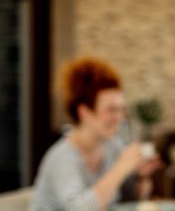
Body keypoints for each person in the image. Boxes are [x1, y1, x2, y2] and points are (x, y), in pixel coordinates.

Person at [30, 57, 162, 211]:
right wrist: (121, 167)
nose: (120, 117)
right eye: (112, 110)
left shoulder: (113, 146)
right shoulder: (62, 158)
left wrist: (141, 176)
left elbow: (129, 199)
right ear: (84, 112)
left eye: (121, 109)